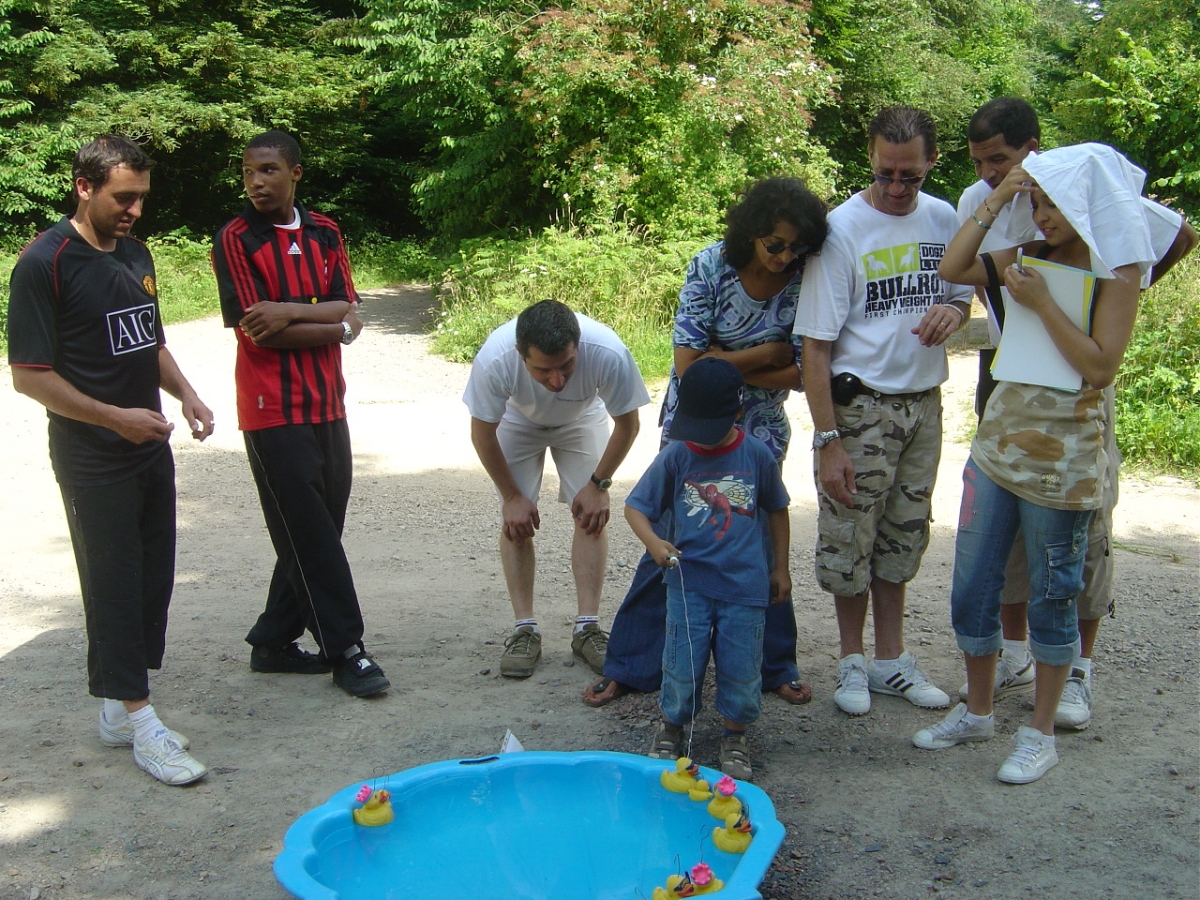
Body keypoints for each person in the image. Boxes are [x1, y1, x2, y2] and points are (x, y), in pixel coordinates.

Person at [916, 142, 1158, 783]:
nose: (1043, 216)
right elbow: (953, 265)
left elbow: (1101, 366)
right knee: (974, 582)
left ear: (1088, 206)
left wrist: (1044, 303)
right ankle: (978, 712)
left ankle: (1039, 733)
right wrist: (1000, 196)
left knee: (1053, 591)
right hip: (997, 446)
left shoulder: (1118, 271)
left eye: (1055, 206)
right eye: (1039, 203)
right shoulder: (1026, 254)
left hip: (1065, 459)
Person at [956, 98, 1198, 725]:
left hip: (1079, 403)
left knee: (1079, 547)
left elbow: (1179, 235)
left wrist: (1118, 295)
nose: (988, 171)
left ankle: (1077, 672)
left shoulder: (1088, 189)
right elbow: (957, 269)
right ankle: (1016, 654)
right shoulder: (999, 211)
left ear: (1033, 149)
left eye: (999, 159)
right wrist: (999, 196)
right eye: (978, 162)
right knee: (1003, 541)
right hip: (1012, 384)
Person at [7, 135, 214, 785]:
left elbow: (148, 339)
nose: (134, 211)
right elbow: (28, 375)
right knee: (114, 584)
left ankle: (116, 710)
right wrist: (114, 418)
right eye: (123, 198)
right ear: (84, 187)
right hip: (92, 455)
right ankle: (142, 724)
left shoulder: (135, 252)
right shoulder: (44, 262)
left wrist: (187, 394)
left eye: (142, 198)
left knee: (153, 578)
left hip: (147, 443)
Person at [584, 177, 829, 708]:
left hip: (760, 428)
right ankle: (631, 664)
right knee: (671, 535)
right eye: (775, 244)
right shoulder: (710, 265)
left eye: (797, 247)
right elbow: (687, 367)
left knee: (758, 539)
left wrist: (726, 361)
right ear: (751, 232)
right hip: (694, 422)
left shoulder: (809, 276)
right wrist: (766, 353)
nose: (786, 258)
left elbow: (802, 373)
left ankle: (774, 666)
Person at [794, 105, 973, 717]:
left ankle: (890, 660)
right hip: (860, 406)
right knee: (850, 536)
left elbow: (963, 296)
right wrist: (828, 441)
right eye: (885, 173)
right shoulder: (841, 230)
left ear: (931, 163)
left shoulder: (944, 218)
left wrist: (955, 312)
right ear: (869, 158)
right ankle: (851, 660)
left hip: (924, 403)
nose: (897, 188)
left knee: (903, 533)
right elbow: (815, 347)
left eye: (910, 176)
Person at [212, 130, 389, 698]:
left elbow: (350, 309)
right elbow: (259, 332)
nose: (256, 182)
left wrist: (292, 312)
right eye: (248, 172)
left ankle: (272, 640)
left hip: (327, 401)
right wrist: (332, 322)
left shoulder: (325, 231)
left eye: (268, 169)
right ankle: (347, 649)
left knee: (319, 525)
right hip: (271, 409)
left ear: (295, 174)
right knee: (309, 531)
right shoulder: (235, 239)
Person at [464, 299, 650, 678]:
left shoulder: (608, 351)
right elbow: (482, 433)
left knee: (591, 516)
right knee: (516, 523)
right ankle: (524, 629)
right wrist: (512, 497)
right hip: (517, 419)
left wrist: (599, 485)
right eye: (543, 370)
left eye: (566, 365)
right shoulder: (495, 358)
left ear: (578, 345)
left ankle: (587, 628)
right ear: (521, 354)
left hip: (582, 418)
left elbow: (628, 425)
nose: (557, 380)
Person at [626, 358, 791, 782]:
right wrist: (654, 543)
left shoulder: (757, 456)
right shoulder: (677, 456)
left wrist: (781, 569)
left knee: (742, 665)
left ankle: (734, 735)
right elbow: (635, 507)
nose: (701, 437)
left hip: (745, 587)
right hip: (688, 585)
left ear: (738, 412)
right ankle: (672, 725)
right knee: (681, 661)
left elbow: (777, 509)